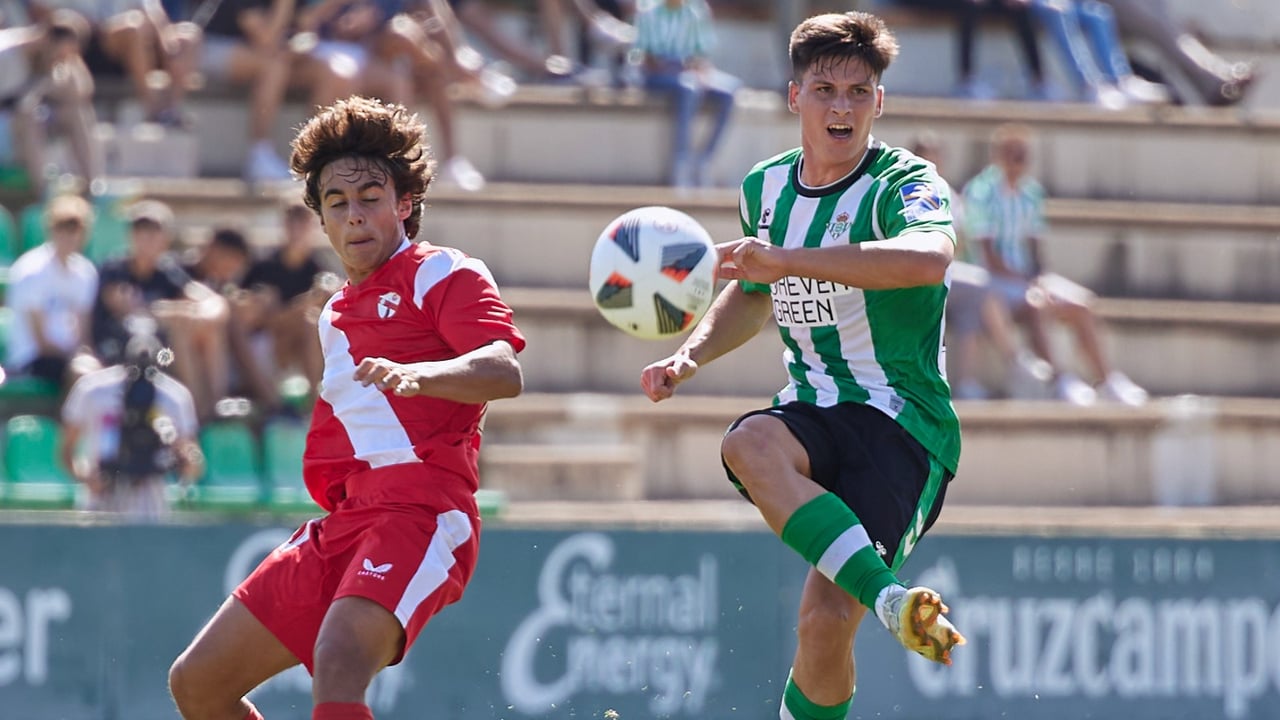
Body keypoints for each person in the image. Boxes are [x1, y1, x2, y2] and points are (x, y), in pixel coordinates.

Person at [639, 12, 964, 719]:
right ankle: (889, 600)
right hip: (813, 408)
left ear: (880, 102)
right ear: (795, 98)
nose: (841, 106)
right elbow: (753, 293)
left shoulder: (903, 184)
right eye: (824, 89)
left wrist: (784, 258)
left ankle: (874, 599)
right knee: (745, 442)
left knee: (822, 623)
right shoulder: (765, 189)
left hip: (903, 427)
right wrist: (689, 354)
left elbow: (928, 259)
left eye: (857, 91)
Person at [167, 95, 526, 720]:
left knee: (337, 662)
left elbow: (502, 371)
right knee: (198, 683)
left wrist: (419, 375)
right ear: (322, 220)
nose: (354, 215)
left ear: (404, 205)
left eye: (370, 198)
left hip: (421, 511)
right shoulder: (333, 315)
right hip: (345, 522)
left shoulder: (441, 271)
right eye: (337, 203)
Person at [961, 122, 1147, 405]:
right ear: (998, 156)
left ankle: (1106, 380)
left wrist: (1037, 279)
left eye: (1023, 156)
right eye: (1013, 155)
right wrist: (1028, 284)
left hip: (1024, 277)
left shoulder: (1031, 193)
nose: (1019, 163)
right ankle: (1060, 381)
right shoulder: (980, 192)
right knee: (1036, 307)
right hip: (991, 281)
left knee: (1082, 304)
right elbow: (988, 256)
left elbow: (1035, 251)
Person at [90, 199, 233, 420]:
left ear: (164, 239)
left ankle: (214, 406)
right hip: (122, 349)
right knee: (179, 328)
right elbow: (130, 311)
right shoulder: (115, 269)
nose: (146, 239)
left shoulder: (167, 271)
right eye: (141, 231)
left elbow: (215, 305)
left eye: (153, 232)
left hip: (161, 352)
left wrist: (192, 313)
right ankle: (199, 414)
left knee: (205, 331)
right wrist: (176, 312)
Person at [60, 329, 202, 521]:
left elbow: (193, 466)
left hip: (151, 501)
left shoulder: (175, 397)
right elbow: (66, 450)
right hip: (101, 497)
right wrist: (87, 477)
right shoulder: (93, 390)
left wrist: (184, 456)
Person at [632, 0, 739, 188]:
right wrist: (682, 70)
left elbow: (701, 55)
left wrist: (698, 71)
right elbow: (645, 59)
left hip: (690, 73)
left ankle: (704, 160)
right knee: (689, 89)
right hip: (658, 76)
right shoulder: (648, 11)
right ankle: (681, 163)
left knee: (729, 90)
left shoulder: (697, 11)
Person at [2, 192, 100, 390]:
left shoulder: (85, 272)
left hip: (70, 358)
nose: (68, 235)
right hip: (31, 358)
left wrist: (85, 356)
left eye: (75, 228)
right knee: (83, 374)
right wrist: (77, 358)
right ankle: (70, 420)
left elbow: (83, 331)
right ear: (51, 229)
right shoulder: (31, 270)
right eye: (62, 227)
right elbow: (42, 342)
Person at [0, 9, 103, 192]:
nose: (60, 59)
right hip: (5, 126)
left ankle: (91, 186)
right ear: (45, 40)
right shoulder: (6, 53)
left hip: (29, 123)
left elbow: (83, 92)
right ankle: (43, 192)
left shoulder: (53, 62)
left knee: (75, 113)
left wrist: (72, 63)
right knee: (28, 114)